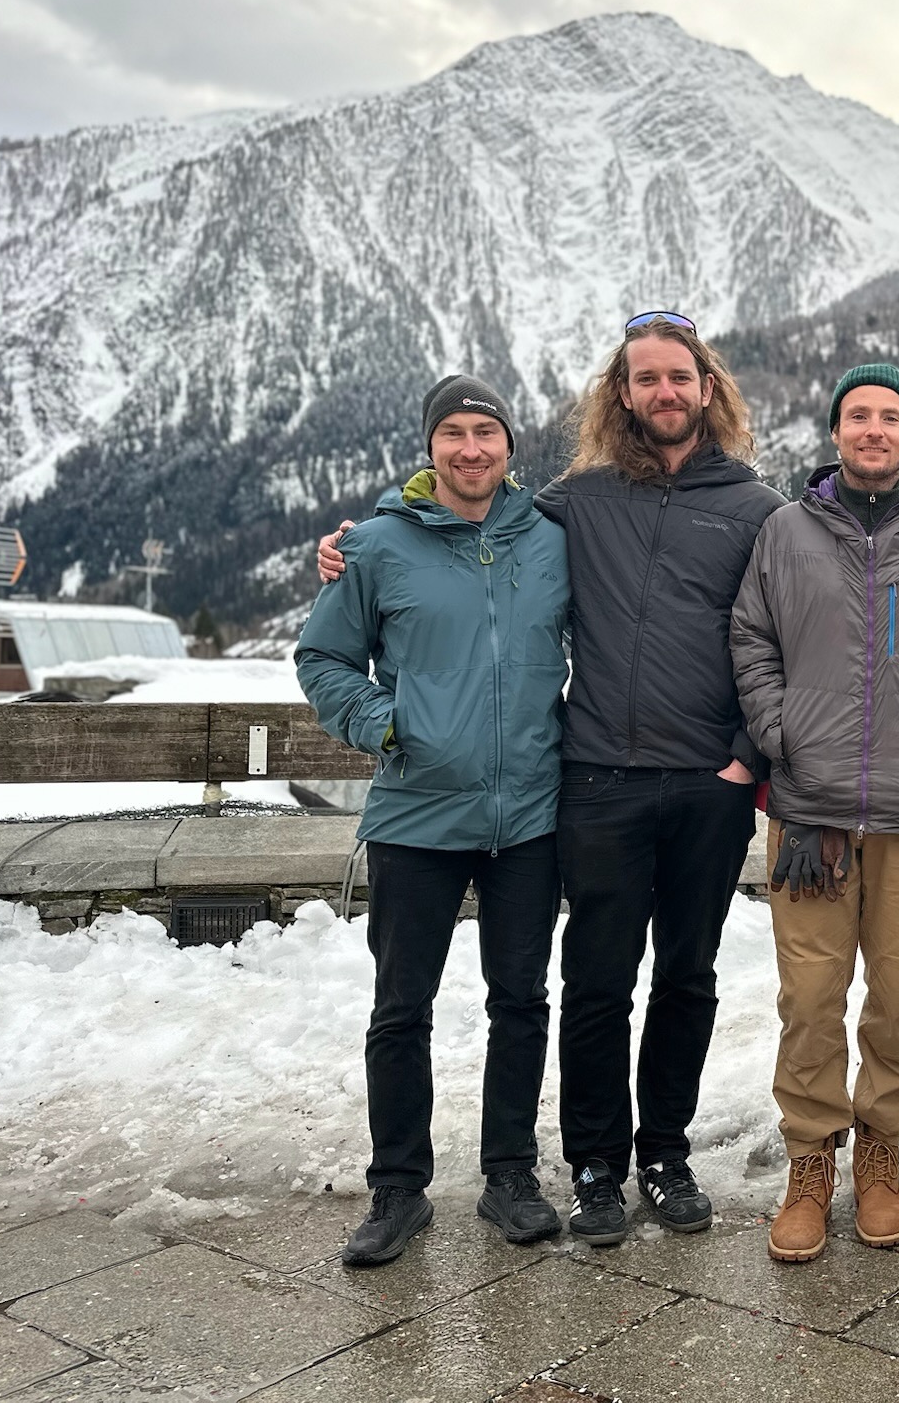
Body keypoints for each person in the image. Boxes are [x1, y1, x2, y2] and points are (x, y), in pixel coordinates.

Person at [318, 312, 782, 1247]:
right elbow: (451, 520)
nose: (664, 392)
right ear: (621, 394)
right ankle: (597, 1169)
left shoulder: (756, 508)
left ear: (707, 389)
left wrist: (750, 752)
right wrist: (354, 544)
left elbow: (789, 629)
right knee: (597, 984)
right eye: (644, 378)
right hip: (598, 780)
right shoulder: (576, 502)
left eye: (678, 378)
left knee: (686, 979)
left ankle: (665, 1153)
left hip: (707, 785)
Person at [731, 362, 899, 1263]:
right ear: (837, 431)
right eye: (859, 416)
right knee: (810, 1000)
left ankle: (880, 1154)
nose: (875, 430)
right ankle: (810, 1161)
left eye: (891, 417)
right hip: (811, 813)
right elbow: (752, 639)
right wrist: (782, 732)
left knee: (898, 996)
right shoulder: (785, 531)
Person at [297, 376, 570, 1267]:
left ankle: (510, 1176)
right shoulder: (375, 547)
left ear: (509, 448)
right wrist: (386, 724)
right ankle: (398, 1189)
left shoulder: (551, 541)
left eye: (485, 433)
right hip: (416, 814)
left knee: (521, 1002)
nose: (469, 449)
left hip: (529, 812)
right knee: (400, 1007)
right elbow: (324, 657)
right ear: (431, 447)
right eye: (451, 433)